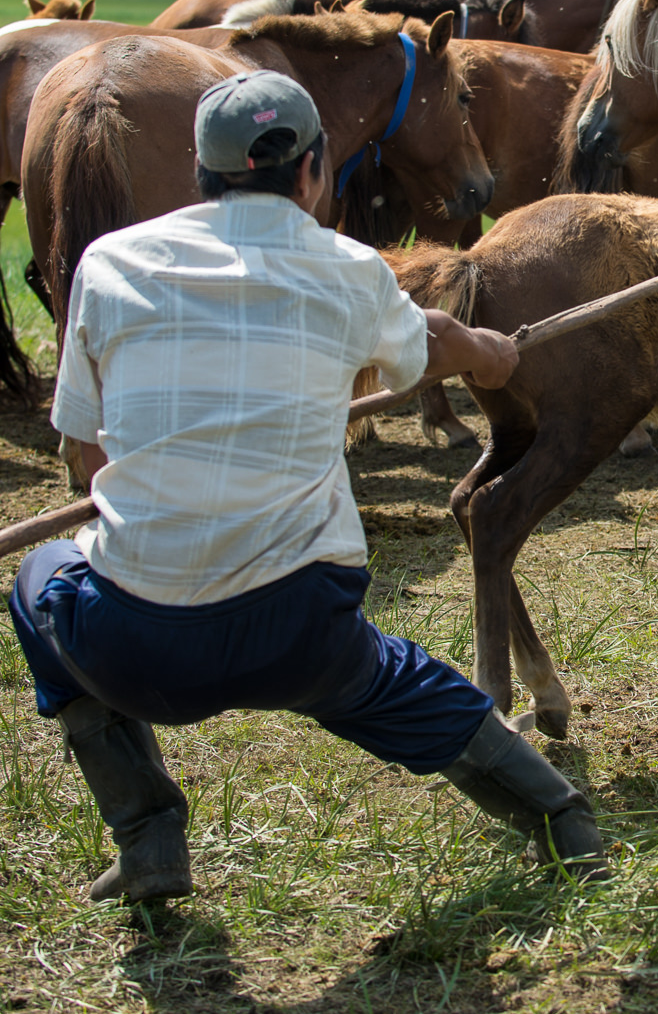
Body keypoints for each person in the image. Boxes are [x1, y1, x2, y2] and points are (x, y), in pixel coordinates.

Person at [8, 70, 604, 902]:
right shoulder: (349, 269)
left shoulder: (109, 265)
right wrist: (491, 355)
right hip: (297, 635)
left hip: (131, 647)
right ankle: (566, 824)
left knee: (37, 585)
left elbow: (85, 454)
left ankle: (148, 838)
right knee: (389, 680)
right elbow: (424, 344)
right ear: (315, 169)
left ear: (201, 170)